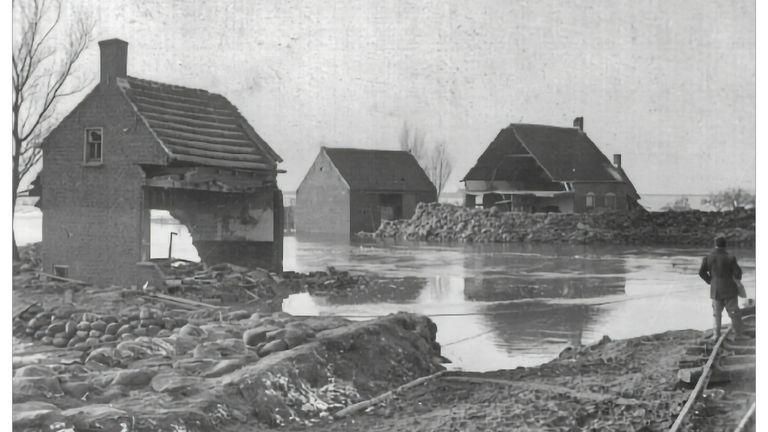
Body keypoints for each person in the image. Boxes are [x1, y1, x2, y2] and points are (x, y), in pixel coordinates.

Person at [698, 235, 745, 341]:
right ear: (725, 245)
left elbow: (701, 272)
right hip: (730, 290)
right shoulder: (730, 257)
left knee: (716, 314)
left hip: (715, 290)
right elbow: (738, 274)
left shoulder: (708, 257)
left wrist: (710, 281)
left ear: (715, 245)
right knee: (734, 313)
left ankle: (716, 335)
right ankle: (739, 335)